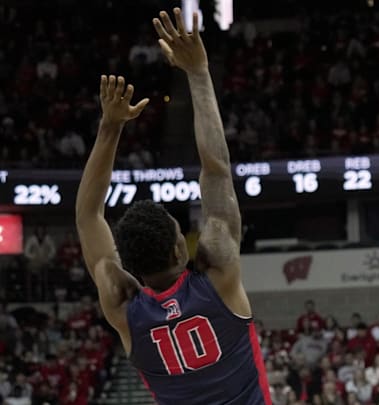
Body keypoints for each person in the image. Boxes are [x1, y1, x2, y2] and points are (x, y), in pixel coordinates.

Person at [74, 8, 270, 404]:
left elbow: (88, 216)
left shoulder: (122, 305)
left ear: (130, 264)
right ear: (181, 247)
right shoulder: (218, 273)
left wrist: (109, 127)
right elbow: (216, 171)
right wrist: (198, 73)